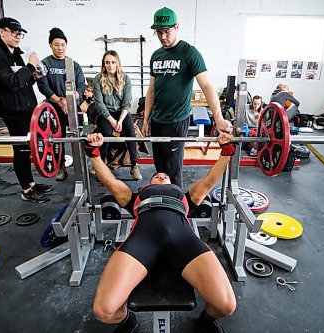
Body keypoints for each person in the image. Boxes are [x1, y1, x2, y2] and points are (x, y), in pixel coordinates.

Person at [86, 132, 237, 333]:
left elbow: (210, 181)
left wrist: (226, 151)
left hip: (183, 242)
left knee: (226, 306)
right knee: (103, 311)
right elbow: (111, 183)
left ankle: (206, 319)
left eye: (165, 176)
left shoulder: (187, 196)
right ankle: (126, 321)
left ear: (174, 185)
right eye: (156, 176)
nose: (161, 175)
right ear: (148, 184)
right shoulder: (136, 197)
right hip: (143, 243)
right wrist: (94, 153)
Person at [142, 7, 233, 189]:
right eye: (159, 32)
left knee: (173, 170)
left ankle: (176, 209)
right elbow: (151, 89)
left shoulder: (189, 53)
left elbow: (206, 85)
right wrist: (145, 120)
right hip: (157, 120)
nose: (163, 36)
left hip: (176, 121)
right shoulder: (156, 56)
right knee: (159, 169)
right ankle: (161, 204)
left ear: (177, 27)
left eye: (166, 31)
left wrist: (219, 118)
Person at [0, 17, 53, 203]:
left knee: (29, 147)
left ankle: (31, 183)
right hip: (13, 111)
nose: (18, 37)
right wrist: (30, 65)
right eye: (14, 33)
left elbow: (24, 80)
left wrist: (34, 74)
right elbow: (12, 83)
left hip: (27, 108)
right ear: (2, 32)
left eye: (20, 34)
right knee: (22, 150)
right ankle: (26, 190)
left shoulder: (16, 53)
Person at [37, 27, 86, 181]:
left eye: (63, 44)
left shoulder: (73, 64)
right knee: (57, 139)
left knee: (77, 137)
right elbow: (43, 86)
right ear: (50, 45)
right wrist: (59, 101)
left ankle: (81, 166)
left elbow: (81, 86)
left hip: (72, 107)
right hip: (54, 108)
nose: (60, 48)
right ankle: (60, 166)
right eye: (57, 44)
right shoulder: (45, 64)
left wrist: (69, 101)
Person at [93, 50, 142, 180]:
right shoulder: (98, 79)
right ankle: (101, 164)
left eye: (113, 62)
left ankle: (134, 165)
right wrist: (112, 121)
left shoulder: (125, 79)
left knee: (130, 130)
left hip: (122, 113)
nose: (110, 65)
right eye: (107, 62)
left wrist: (120, 121)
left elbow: (127, 103)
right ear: (104, 64)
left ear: (118, 63)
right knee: (105, 132)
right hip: (105, 114)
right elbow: (99, 104)